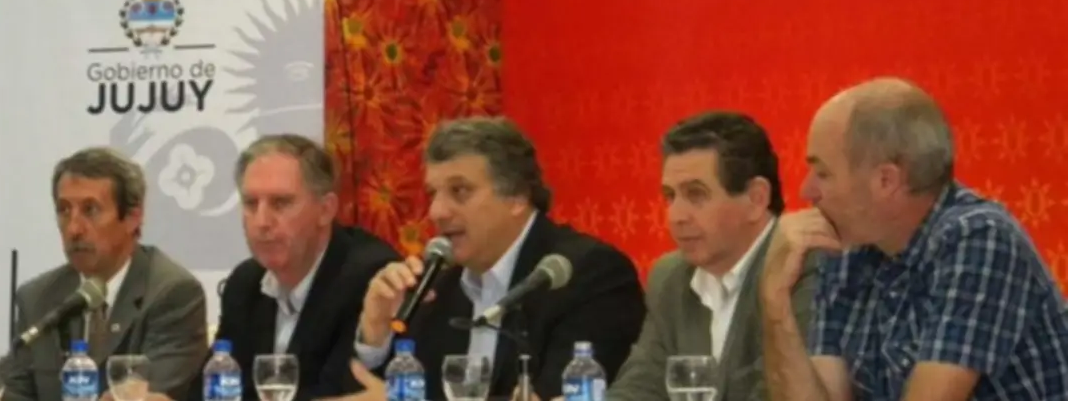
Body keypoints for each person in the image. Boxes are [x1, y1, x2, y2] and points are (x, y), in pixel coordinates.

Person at [761, 77, 1068, 401]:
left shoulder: (979, 238)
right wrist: (774, 300)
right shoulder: (847, 249)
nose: (806, 191)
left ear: (886, 180)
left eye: (823, 173)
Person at [325, 116, 646, 401]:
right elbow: (358, 394)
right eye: (433, 193)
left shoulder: (584, 274)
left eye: (460, 191)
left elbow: (558, 396)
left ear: (517, 196)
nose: (437, 212)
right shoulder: (435, 285)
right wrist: (375, 333)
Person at [597, 112, 817, 401]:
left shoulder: (803, 267)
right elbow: (640, 386)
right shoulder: (670, 277)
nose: (676, 216)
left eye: (696, 194)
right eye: (670, 196)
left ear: (756, 199)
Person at [184, 134, 400, 401]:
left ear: (326, 210)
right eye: (251, 204)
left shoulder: (367, 276)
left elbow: (343, 393)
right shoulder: (246, 282)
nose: (262, 222)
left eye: (280, 203)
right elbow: (211, 390)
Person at [3, 147, 209, 401]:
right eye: (64, 210)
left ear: (133, 217)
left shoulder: (173, 294)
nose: (74, 229)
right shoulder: (36, 299)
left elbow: (143, 397)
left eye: (90, 210)